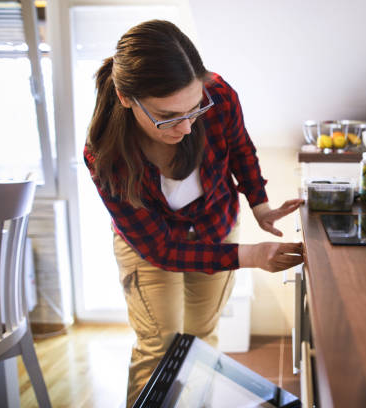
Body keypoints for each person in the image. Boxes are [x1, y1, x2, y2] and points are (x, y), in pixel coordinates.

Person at [83, 19, 304, 407]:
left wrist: (260, 204)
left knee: (201, 342)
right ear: (124, 97)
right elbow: (163, 250)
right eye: (167, 116)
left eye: (194, 109)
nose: (186, 128)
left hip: (215, 227)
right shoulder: (105, 155)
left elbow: (241, 149)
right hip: (149, 248)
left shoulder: (219, 96)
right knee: (159, 347)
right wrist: (250, 256)